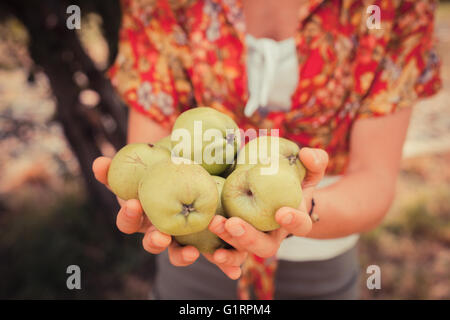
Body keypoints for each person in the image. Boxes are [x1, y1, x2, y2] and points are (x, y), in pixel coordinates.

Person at [92, 0, 441, 299]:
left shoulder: (392, 8)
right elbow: (153, 154)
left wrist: (300, 211)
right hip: (196, 262)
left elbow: (375, 179)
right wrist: (144, 200)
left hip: (322, 271)